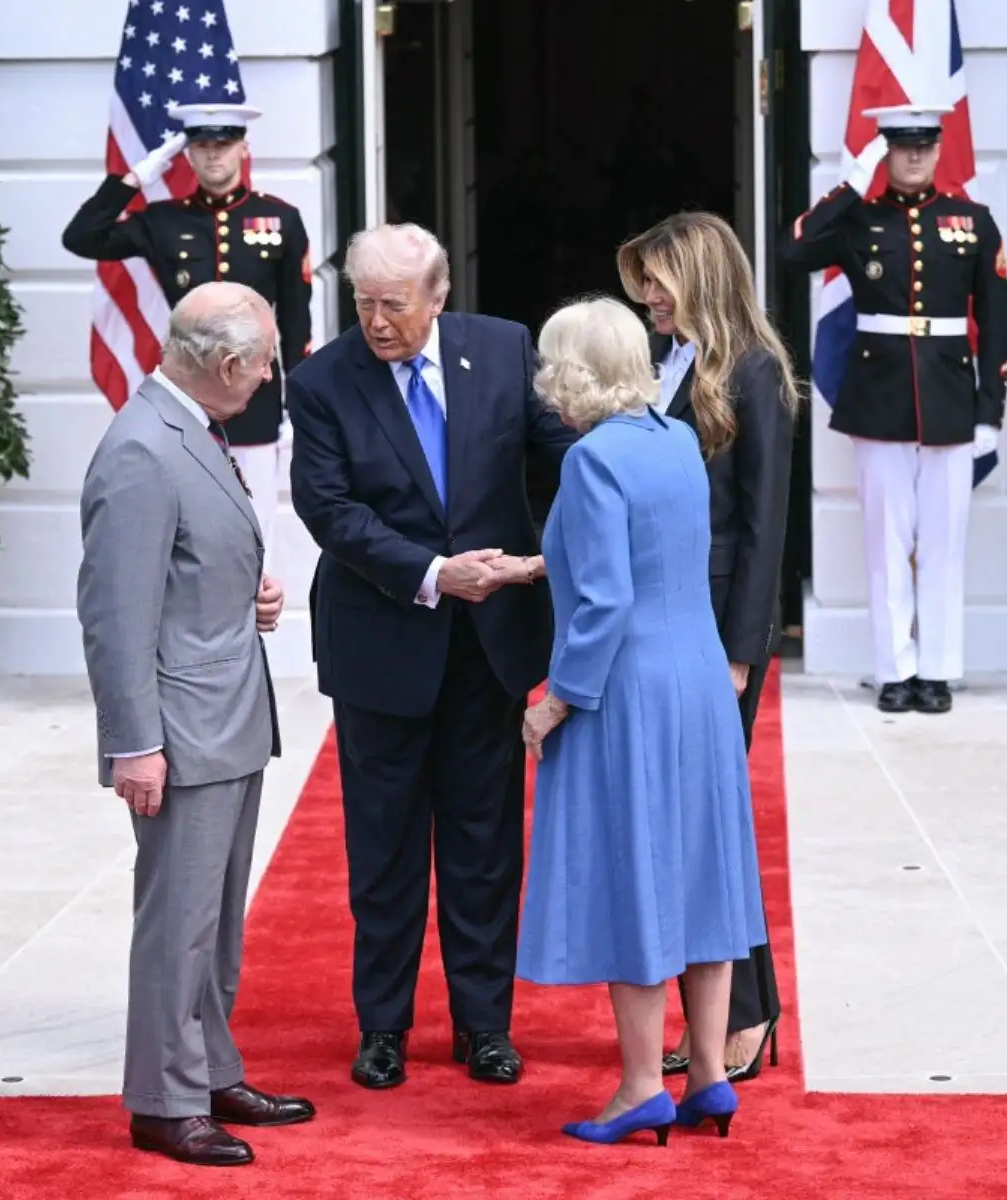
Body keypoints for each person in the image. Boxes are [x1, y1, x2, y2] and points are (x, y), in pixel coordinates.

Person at [286, 223, 577, 1092]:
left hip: (488, 643)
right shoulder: (324, 380)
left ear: (438, 297)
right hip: (383, 640)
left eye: (394, 306)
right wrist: (433, 573)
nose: (377, 323)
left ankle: (483, 1024)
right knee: (383, 849)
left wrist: (605, 501)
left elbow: (560, 451)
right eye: (364, 303)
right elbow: (330, 510)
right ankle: (383, 1027)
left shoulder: (502, 349)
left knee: (484, 844)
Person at [516, 297, 770, 1146]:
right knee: (700, 875)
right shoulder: (677, 442)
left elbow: (604, 602)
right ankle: (705, 1076)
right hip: (697, 681)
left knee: (633, 880)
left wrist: (556, 700)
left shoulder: (593, 460)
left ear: (570, 371)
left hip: (625, 692)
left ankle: (636, 1088)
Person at [77, 282, 311, 1168]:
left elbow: (185, 565)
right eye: (262, 364)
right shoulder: (140, 448)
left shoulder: (191, 427)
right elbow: (114, 612)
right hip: (180, 728)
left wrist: (242, 595)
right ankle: (164, 1101)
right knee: (177, 919)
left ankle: (209, 1069)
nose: (266, 380)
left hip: (225, 713)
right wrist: (133, 742)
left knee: (214, 922)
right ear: (221, 365)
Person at [616, 211, 796, 1083]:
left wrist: (741, 652)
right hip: (668, 618)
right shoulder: (673, 362)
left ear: (700, 279)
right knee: (693, 823)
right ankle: (731, 1012)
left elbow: (766, 527)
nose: (648, 296)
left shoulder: (756, 372)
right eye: (643, 282)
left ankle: (749, 1015)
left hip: (716, 629)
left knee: (709, 823)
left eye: (660, 280)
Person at [781, 104, 1007, 715]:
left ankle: (937, 670)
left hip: (950, 399)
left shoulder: (973, 222)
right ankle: (894, 671)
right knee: (885, 544)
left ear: (939, 150)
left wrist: (991, 410)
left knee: (943, 542)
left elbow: (994, 320)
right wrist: (851, 185)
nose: (912, 156)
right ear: (885, 151)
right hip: (879, 399)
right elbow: (792, 251)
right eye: (900, 146)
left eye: (923, 146)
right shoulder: (859, 220)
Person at [63, 102, 314, 563]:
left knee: (255, 532)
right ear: (186, 154)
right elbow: (81, 237)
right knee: (180, 528)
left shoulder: (279, 219)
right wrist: (133, 178)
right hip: (185, 398)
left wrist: (298, 405)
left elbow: (297, 320)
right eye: (200, 146)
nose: (213, 156)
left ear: (243, 148)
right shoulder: (163, 221)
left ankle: (251, 629)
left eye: (223, 144)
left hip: (254, 400)